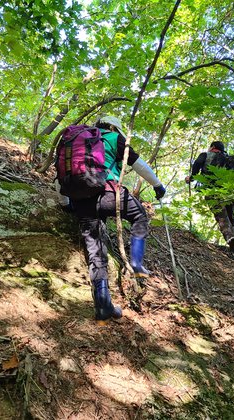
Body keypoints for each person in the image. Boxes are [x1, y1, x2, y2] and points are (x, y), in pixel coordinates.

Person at [57, 115, 166, 324]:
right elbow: (139, 165)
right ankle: (136, 264)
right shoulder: (115, 139)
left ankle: (103, 307)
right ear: (116, 128)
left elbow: (60, 177)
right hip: (109, 193)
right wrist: (157, 185)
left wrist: (66, 203)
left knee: (95, 253)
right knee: (139, 216)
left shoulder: (74, 143)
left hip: (81, 199)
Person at [185, 141, 234, 260]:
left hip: (212, 192)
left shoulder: (206, 155)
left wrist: (191, 177)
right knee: (232, 219)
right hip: (229, 194)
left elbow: (197, 164)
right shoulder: (230, 160)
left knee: (223, 220)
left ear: (212, 147)